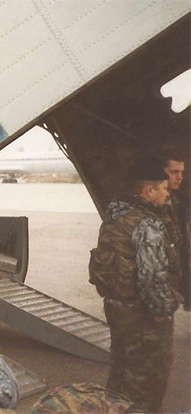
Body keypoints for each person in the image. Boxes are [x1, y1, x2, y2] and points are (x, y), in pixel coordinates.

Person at [88, 156, 182, 412]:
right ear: (149, 190)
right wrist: (162, 311)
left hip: (117, 307)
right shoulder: (148, 224)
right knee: (146, 384)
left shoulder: (115, 215)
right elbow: (152, 275)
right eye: (164, 188)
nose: (167, 194)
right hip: (142, 315)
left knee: (120, 374)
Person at [163, 151, 189, 310]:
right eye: (174, 172)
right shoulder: (152, 205)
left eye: (181, 172)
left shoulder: (178, 202)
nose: (180, 177)